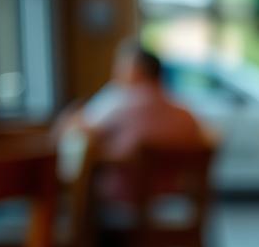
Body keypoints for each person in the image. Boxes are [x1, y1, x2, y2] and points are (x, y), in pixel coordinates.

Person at [65, 40, 207, 160]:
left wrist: (73, 114)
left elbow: (78, 131)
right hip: (175, 192)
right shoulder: (185, 115)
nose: (116, 72)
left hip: (116, 191)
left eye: (121, 66)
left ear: (136, 71)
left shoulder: (119, 102)